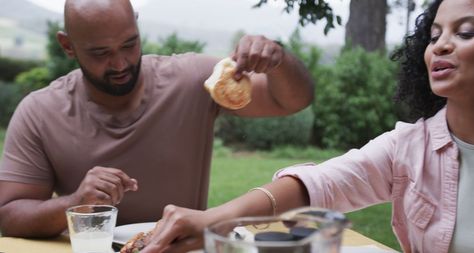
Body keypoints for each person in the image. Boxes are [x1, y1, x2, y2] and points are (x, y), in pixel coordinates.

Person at [140, 0, 474, 252]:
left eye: (466, 32)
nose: (441, 45)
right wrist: (216, 221)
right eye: (434, 35)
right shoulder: (409, 147)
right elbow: (320, 185)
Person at [0, 0, 315, 238]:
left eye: (129, 43)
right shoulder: (40, 112)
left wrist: (278, 60)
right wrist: (74, 203)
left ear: (137, 26)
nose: (121, 62)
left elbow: (291, 100)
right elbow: (8, 215)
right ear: (68, 45)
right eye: (100, 53)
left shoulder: (192, 79)